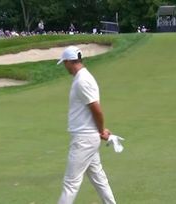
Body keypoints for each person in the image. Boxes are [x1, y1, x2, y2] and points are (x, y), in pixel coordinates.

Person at [57, 46, 117, 204]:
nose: (64, 66)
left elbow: (96, 110)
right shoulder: (81, 78)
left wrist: (101, 130)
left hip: (84, 139)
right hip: (88, 138)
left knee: (70, 184)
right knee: (99, 178)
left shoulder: (83, 80)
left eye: (65, 63)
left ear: (70, 61)